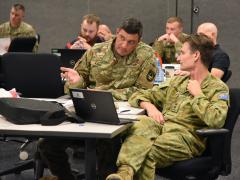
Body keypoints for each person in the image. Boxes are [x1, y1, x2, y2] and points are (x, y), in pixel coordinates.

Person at [39, 17, 157, 180]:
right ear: (117, 33)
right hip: (87, 109)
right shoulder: (96, 51)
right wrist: (76, 81)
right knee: (47, 145)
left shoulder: (146, 55)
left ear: (139, 41)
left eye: (131, 42)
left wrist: (104, 92)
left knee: (107, 146)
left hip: (121, 115)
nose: (124, 45)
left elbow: (144, 91)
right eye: (122, 38)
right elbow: (77, 82)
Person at [106, 34, 229, 180]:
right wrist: (150, 107)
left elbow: (217, 120)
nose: (178, 58)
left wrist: (198, 95)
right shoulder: (178, 81)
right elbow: (139, 95)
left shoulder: (218, 88)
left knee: (145, 152)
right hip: (163, 128)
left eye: (182, 53)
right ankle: (125, 174)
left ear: (196, 55)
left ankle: (125, 173)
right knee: (142, 123)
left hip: (186, 138)